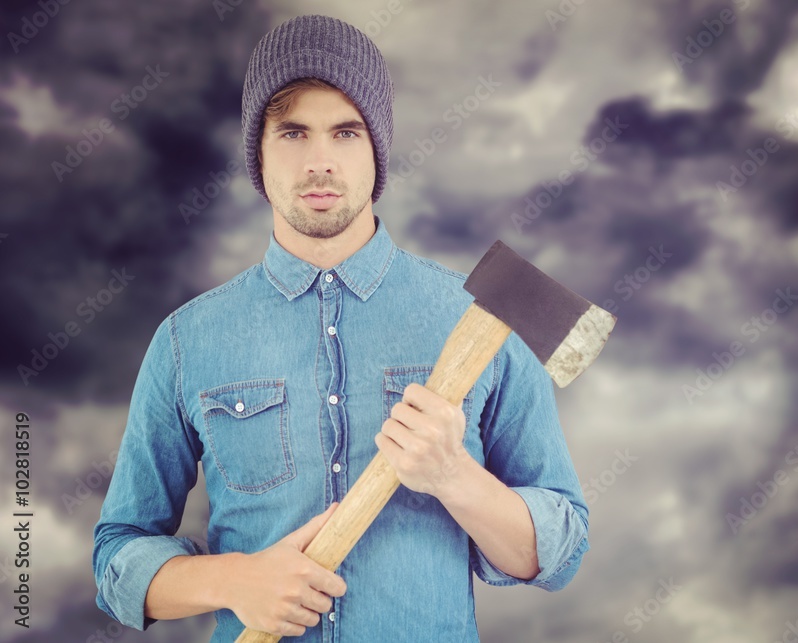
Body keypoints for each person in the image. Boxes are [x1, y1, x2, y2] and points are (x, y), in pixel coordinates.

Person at [92, 13, 589, 643]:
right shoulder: (188, 341)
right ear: (258, 152)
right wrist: (234, 580)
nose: (320, 162)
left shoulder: (484, 322)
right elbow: (117, 560)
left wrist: (453, 476)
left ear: (377, 150)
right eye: (293, 132)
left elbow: (559, 553)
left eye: (346, 132)